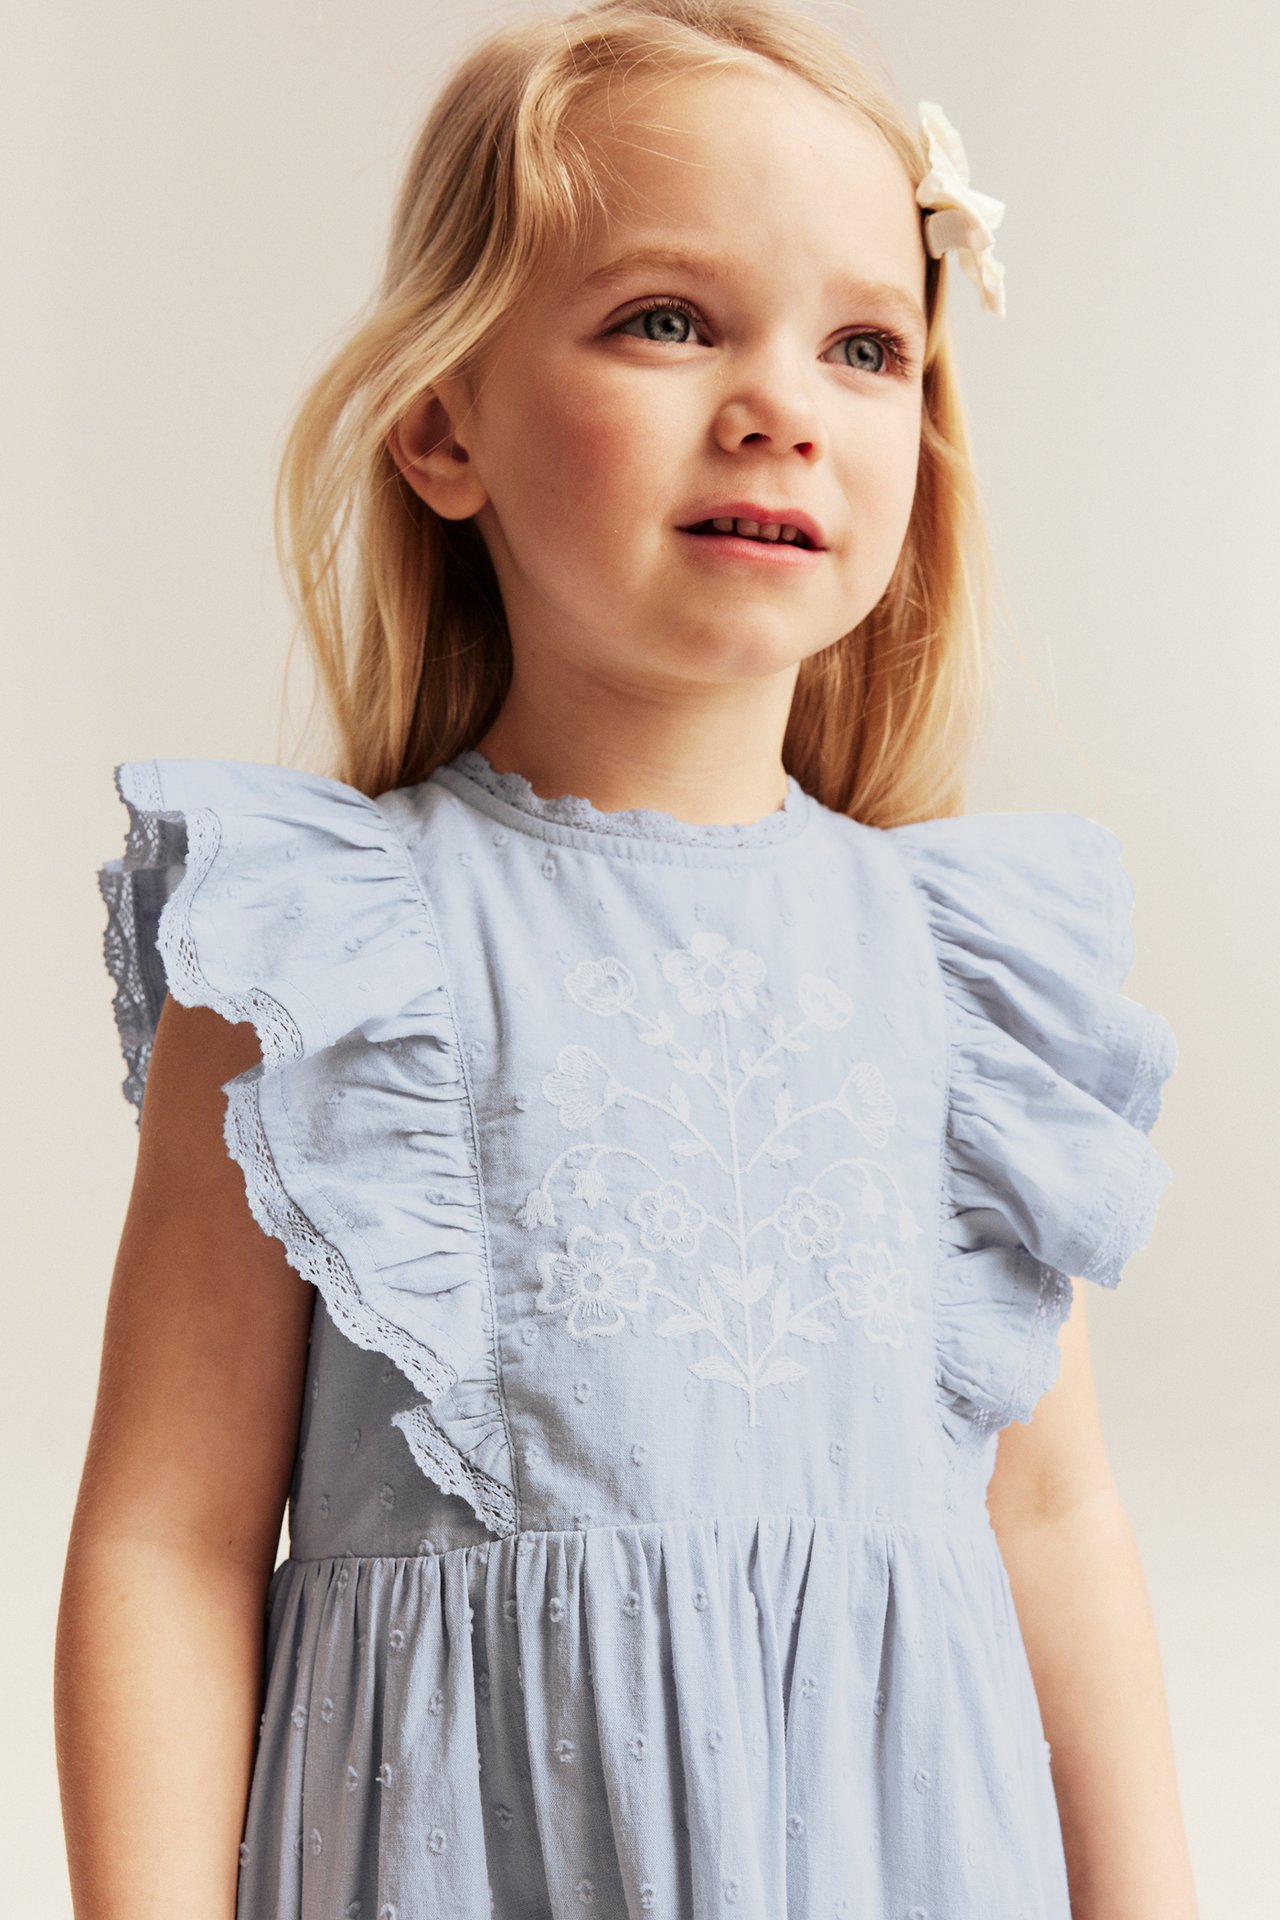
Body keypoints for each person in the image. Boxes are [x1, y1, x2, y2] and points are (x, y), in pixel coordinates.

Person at [56, 2, 1200, 1915]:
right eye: (669, 321)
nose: (781, 404)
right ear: (443, 425)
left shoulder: (967, 977)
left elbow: (1059, 1529)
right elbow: (165, 1545)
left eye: (864, 346)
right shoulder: (325, 951)